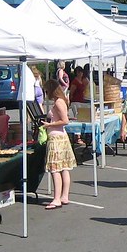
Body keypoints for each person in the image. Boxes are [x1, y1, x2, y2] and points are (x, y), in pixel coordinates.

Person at [41, 78, 76, 208]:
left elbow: (65, 120)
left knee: (55, 169)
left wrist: (50, 124)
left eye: (46, 90)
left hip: (57, 139)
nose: (46, 93)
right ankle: (64, 196)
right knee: (63, 168)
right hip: (60, 137)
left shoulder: (59, 102)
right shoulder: (60, 101)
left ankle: (57, 198)